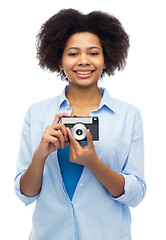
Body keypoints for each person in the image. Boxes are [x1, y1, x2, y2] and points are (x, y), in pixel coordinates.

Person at [15, 9, 146, 240]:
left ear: (106, 60)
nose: (84, 60)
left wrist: (93, 163)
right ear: (59, 59)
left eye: (93, 53)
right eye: (73, 53)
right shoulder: (36, 113)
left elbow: (135, 195)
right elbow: (25, 195)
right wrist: (40, 155)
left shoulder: (129, 115)